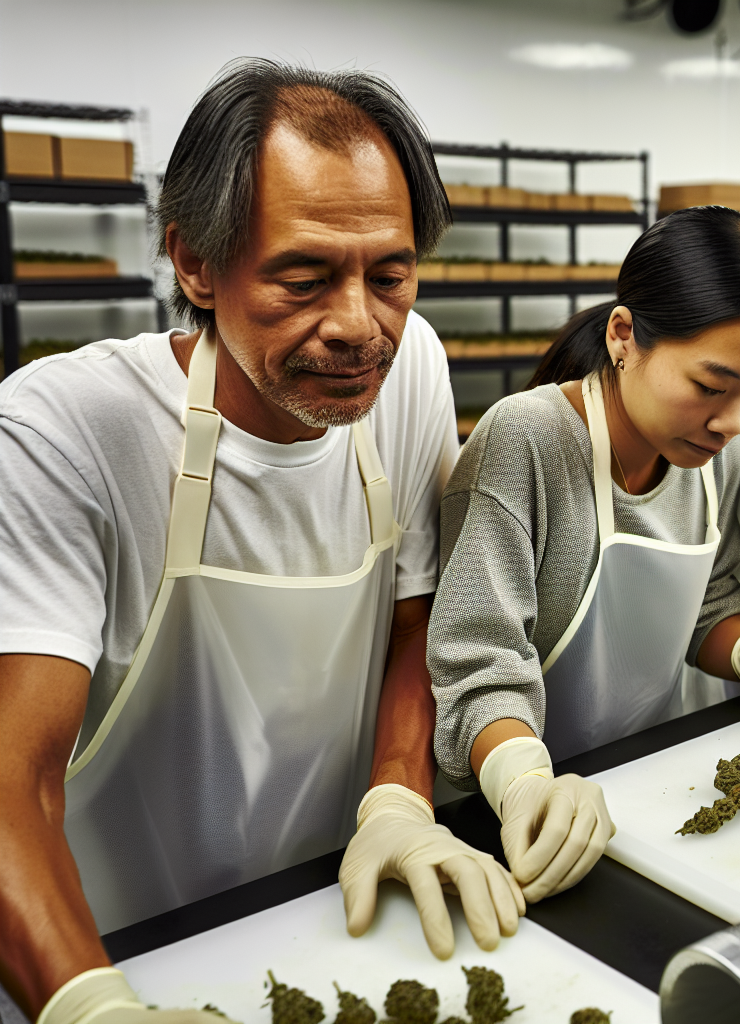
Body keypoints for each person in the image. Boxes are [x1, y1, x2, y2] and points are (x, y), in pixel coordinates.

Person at [0, 60, 526, 1024]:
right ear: (194, 262)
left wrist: (398, 800)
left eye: (393, 275)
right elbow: (10, 779)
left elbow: (416, 620)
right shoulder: (65, 430)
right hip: (100, 944)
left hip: (325, 918)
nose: (361, 326)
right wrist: (89, 1004)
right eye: (304, 277)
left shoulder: (412, 376)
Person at [428, 206, 740, 903]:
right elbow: (478, 665)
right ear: (624, 337)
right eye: (709, 386)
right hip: (514, 826)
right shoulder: (527, 441)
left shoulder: (710, 459)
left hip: (643, 798)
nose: (732, 422)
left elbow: (707, 612)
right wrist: (524, 785)